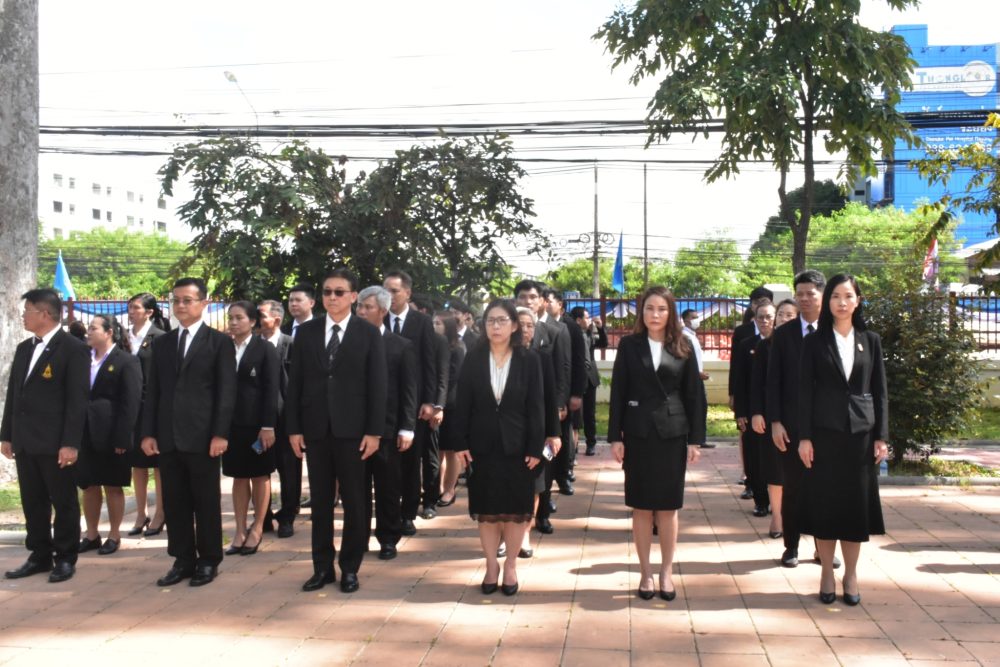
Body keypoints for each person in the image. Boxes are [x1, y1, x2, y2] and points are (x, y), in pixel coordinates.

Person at [286, 268, 387, 593]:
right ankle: (322, 568)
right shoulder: (307, 333)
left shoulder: (368, 333)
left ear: (353, 296)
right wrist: (294, 428)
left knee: (355, 501)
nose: (332, 297)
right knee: (320, 503)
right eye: (327, 291)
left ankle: (350, 567)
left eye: (339, 292)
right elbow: (295, 383)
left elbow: (378, 385)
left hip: (354, 432)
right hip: (316, 430)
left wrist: (374, 432)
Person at [608, 286, 706, 601]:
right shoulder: (629, 345)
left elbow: (694, 395)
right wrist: (615, 436)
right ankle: (645, 573)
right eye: (649, 308)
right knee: (640, 506)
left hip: (672, 433)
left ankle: (666, 571)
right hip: (637, 432)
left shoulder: (684, 345)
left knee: (667, 507)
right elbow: (618, 391)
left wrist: (695, 440)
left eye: (662, 309)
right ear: (642, 312)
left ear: (670, 312)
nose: (655, 314)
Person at [798, 274, 888, 606]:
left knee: (854, 509)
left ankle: (851, 575)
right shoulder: (815, 342)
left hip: (861, 437)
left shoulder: (871, 340)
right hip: (824, 435)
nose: (842, 302)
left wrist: (882, 436)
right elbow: (804, 392)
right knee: (826, 506)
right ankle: (826, 572)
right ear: (828, 302)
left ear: (858, 301)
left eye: (848, 296)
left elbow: (880, 391)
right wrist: (804, 437)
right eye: (835, 296)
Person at [141, 277, 237, 587]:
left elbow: (226, 392)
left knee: (205, 501)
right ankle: (182, 559)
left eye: (187, 300)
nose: (180, 305)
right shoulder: (163, 343)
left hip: (204, 436)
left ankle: (208, 560)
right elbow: (153, 391)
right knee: (175, 501)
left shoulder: (219, 342)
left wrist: (220, 434)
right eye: (176, 300)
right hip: (168, 436)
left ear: (204, 303)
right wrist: (148, 432)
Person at [454, 299, 545, 596]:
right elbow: (462, 403)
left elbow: (536, 407)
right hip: (481, 446)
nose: (495, 326)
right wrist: (460, 442)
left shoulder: (529, 360)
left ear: (514, 325)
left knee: (516, 510)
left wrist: (535, 447)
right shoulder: (474, 357)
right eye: (490, 320)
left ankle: (511, 566)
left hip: (519, 447)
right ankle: (491, 564)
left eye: (502, 320)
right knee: (488, 510)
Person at [1, 289, 89, 583]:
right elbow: (15, 394)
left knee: (63, 501)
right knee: (33, 501)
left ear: (45, 314)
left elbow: (77, 401)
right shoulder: (24, 348)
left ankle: (65, 557)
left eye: (27, 310)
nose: (22, 315)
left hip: (55, 443)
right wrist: (7, 434)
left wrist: (70, 443)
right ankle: (39, 554)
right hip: (26, 441)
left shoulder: (73, 349)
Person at [766, 269, 829, 569]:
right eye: (799, 293)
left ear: (822, 295)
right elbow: (773, 381)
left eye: (810, 293)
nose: (804, 299)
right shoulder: (783, 335)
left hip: (826, 424)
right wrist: (775, 421)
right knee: (792, 488)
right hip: (790, 425)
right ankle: (790, 546)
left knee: (824, 489)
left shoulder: (834, 331)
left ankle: (823, 547)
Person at [356, 286, 417, 560]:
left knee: (388, 487)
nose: (361, 312)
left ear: (382, 311)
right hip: (354, 429)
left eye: (367, 307)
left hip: (389, 430)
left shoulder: (400, 346)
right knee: (356, 489)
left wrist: (407, 427)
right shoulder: (348, 343)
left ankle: (389, 538)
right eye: (359, 306)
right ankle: (357, 538)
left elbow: (409, 390)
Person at [76, 315, 142, 557]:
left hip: (112, 433)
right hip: (84, 432)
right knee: (89, 485)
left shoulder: (126, 361)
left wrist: (123, 437)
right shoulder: (83, 358)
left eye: (93, 328)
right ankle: (91, 534)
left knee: (113, 485)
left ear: (109, 332)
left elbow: (131, 402)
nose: (88, 332)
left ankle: (114, 535)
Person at [383, 270, 438, 537]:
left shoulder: (421, 322)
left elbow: (429, 363)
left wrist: (429, 401)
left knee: (411, 462)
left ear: (407, 293)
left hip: (413, 403)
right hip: (384, 403)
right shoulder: (378, 319)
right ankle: (390, 514)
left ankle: (408, 514)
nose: (389, 296)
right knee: (388, 465)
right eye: (386, 291)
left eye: (394, 291)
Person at [222, 302, 279, 557]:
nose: (234, 323)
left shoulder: (265, 349)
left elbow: (271, 389)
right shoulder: (224, 348)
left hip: (257, 425)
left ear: (253, 321)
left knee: (260, 475)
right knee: (238, 476)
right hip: (230, 424)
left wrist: (268, 426)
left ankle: (258, 527)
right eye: (231, 318)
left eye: (239, 318)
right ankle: (239, 529)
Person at [513, 306, 560, 559]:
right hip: (508, 432)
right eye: (520, 324)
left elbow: (550, 399)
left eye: (530, 325)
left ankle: (524, 535)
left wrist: (554, 433)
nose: (525, 330)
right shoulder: (499, 357)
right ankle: (506, 536)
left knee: (535, 485)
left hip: (538, 432)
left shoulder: (543, 358)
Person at [751, 299, 799, 539]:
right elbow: (758, 382)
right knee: (775, 470)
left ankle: (801, 519)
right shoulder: (765, 345)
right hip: (773, 416)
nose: (784, 318)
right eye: (781, 314)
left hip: (801, 417)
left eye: (790, 315)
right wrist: (757, 412)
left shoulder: (808, 342)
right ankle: (777, 517)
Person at [126, 292, 169, 537]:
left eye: (136, 307)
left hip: (153, 407)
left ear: (149, 312)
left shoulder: (159, 338)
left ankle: (161, 512)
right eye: (130, 307)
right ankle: (141, 513)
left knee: (157, 464)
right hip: (130, 409)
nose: (131, 312)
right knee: (137, 464)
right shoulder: (123, 337)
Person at [258, 299, 298, 538]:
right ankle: (263, 517)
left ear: (277, 319)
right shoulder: (252, 345)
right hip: (257, 419)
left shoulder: (291, 345)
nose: (258, 320)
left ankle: (287, 516)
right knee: (258, 470)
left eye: (262, 315)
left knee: (289, 470)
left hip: (286, 420)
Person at [732, 301, 774, 518]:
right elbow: (739, 380)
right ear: (754, 319)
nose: (765, 321)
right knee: (754, 457)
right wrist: (740, 412)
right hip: (751, 409)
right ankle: (760, 500)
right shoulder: (746, 344)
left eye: (769, 317)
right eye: (760, 317)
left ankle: (778, 501)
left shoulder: (783, 343)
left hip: (776, 410)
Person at [434, 310, 467, 510]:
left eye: (438, 323)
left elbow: (451, 377)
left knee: (451, 451)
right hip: (435, 403)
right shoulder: (433, 345)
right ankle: (437, 487)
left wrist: (440, 403)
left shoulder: (457, 348)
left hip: (452, 405)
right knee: (437, 450)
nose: (434, 327)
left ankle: (449, 489)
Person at [571, 307, 607, 457]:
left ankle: (591, 444)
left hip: (590, 379)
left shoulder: (589, 334)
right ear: (578, 320)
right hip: (575, 379)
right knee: (575, 415)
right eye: (586, 317)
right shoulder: (570, 335)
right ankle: (573, 446)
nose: (589, 319)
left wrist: (601, 328)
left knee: (589, 414)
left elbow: (603, 343)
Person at [681, 309, 714, 450]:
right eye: (693, 317)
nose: (697, 320)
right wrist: (696, 373)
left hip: (697, 377)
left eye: (697, 317)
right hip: (691, 378)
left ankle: (699, 438)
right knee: (695, 408)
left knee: (701, 408)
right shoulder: (683, 337)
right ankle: (695, 438)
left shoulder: (692, 336)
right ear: (685, 320)